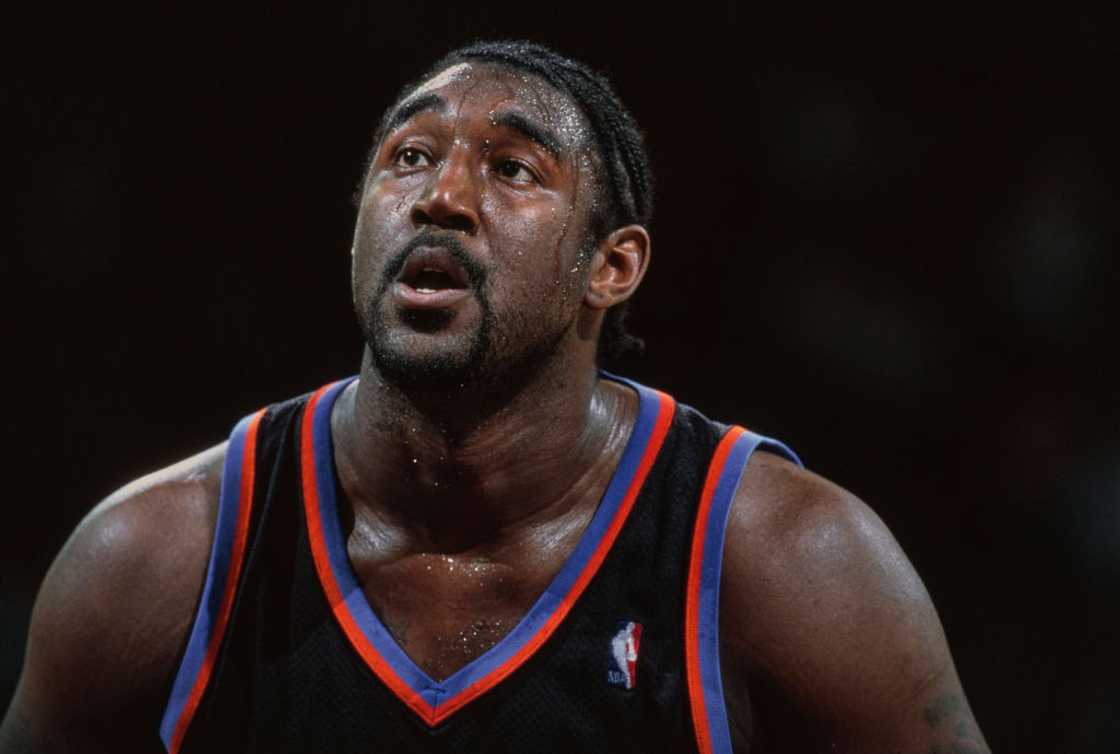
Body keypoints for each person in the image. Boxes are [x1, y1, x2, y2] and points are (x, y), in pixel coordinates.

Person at [0, 40, 991, 754]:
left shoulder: (786, 557)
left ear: (611, 266)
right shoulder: (153, 558)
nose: (443, 195)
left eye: (511, 168)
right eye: (411, 157)